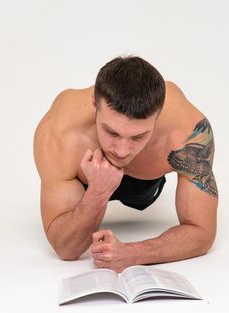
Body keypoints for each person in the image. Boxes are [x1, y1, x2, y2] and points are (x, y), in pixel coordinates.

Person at [33, 56, 218, 272]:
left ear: (157, 118)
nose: (121, 151)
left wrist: (132, 253)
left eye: (138, 136)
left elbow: (202, 233)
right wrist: (98, 192)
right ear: (95, 105)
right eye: (111, 131)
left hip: (144, 182)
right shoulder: (58, 134)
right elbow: (65, 249)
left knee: (142, 194)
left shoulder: (187, 133)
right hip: (85, 178)